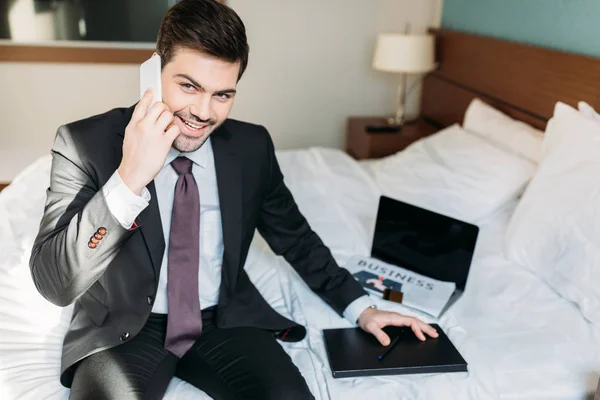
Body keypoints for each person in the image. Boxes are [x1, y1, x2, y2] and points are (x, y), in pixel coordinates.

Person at [29, 1, 438, 399]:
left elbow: (295, 238)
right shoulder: (85, 143)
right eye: (188, 86)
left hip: (223, 320)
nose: (202, 112)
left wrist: (361, 308)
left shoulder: (250, 146)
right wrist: (130, 177)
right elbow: (55, 283)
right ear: (153, 72)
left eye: (222, 95)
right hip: (125, 326)